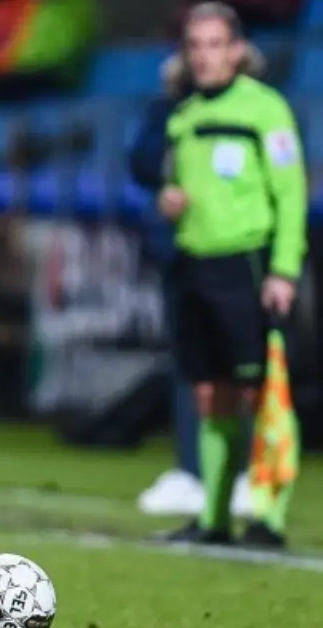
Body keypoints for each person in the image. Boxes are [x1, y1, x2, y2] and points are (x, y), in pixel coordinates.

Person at [157, 1, 306, 547]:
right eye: (195, 46)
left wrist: (283, 269)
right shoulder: (184, 116)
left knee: (262, 392)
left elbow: (291, 193)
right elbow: (176, 185)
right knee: (209, 393)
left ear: (238, 50)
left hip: (248, 264)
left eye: (215, 44)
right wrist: (168, 200)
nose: (204, 56)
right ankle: (214, 519)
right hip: (195, 265)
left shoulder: (265, 109)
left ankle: (267, 517)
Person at [131, 44, 267, 519]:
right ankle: (193, 472)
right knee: (192, 367)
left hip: (241, 254)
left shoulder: (258, 110)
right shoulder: (174, 109)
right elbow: (142, 161)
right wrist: (163, 186)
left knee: (246, 368)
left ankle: (250, 473)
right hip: (183, 252)